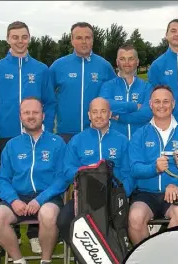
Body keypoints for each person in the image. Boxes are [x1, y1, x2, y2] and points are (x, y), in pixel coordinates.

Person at [0, 20, 56, 254]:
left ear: (29, 38)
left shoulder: (41, 69)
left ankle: (35, 233)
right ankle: (12, 232)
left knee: (38, 180)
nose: (20, 41)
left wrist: (48, 132)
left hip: (37, 134)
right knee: (8, 183)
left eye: (24, 37)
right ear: (8, 39)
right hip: (6, 136)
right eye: (15, 37)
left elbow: (50, 102)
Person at [0, 97, 66, 264]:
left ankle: (46, 262)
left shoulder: (57, 143)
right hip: (18, 197)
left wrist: (40, 200)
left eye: (35, 112)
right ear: (21, 117)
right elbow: (2, 179)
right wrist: (13, 200)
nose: (31, 116)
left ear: (43, 115)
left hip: (47, 196)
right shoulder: (12, 145)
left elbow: (62, 178)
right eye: (26, 113)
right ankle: (19, 262)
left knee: (47, 214)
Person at [55, 97, 133, 246]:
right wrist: (87, 172)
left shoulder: (122, 140)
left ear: (110, 114)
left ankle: (115, 254)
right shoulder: (77, 141)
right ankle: (84, 256)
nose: (98, 116)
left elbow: (129, 172)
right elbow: (67, 170)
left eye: (103, 111)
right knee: (64, 221)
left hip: (113, 197)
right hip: (84, 197)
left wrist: (122, 193)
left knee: (119, 223)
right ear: (89, 115)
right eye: (95, 112)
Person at [127, 85, 178, 245]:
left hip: (175, 193)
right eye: (157, 101)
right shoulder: (140, 134)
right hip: (145, 193)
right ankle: (146, 262)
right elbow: (134, 168)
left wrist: (176, 183)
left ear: (173, 104)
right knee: (135, 218)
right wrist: (155, 168)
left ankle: (164, 258)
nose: (161, 105)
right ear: (150, 104)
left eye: (166, 101)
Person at [49, 22, 117, 143]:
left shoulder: (104, 66)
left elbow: (115, 97)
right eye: (79, 38)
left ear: (92, 40)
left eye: (87, 37)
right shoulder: (58, 66)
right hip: (66, 134)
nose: (84, 41)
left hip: (97, 132)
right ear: (72, 40)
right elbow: (47, 98)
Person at [99, 44, 153, 140]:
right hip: (114, 143)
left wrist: (120, 117)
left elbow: (147, 113)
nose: (127, 63)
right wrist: (134, 106)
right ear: (117, 62)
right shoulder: (108, 86)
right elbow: (105, 106)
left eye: (131, 59)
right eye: (122, 59)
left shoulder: (146, 87)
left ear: (137, 62)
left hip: (141, 142)